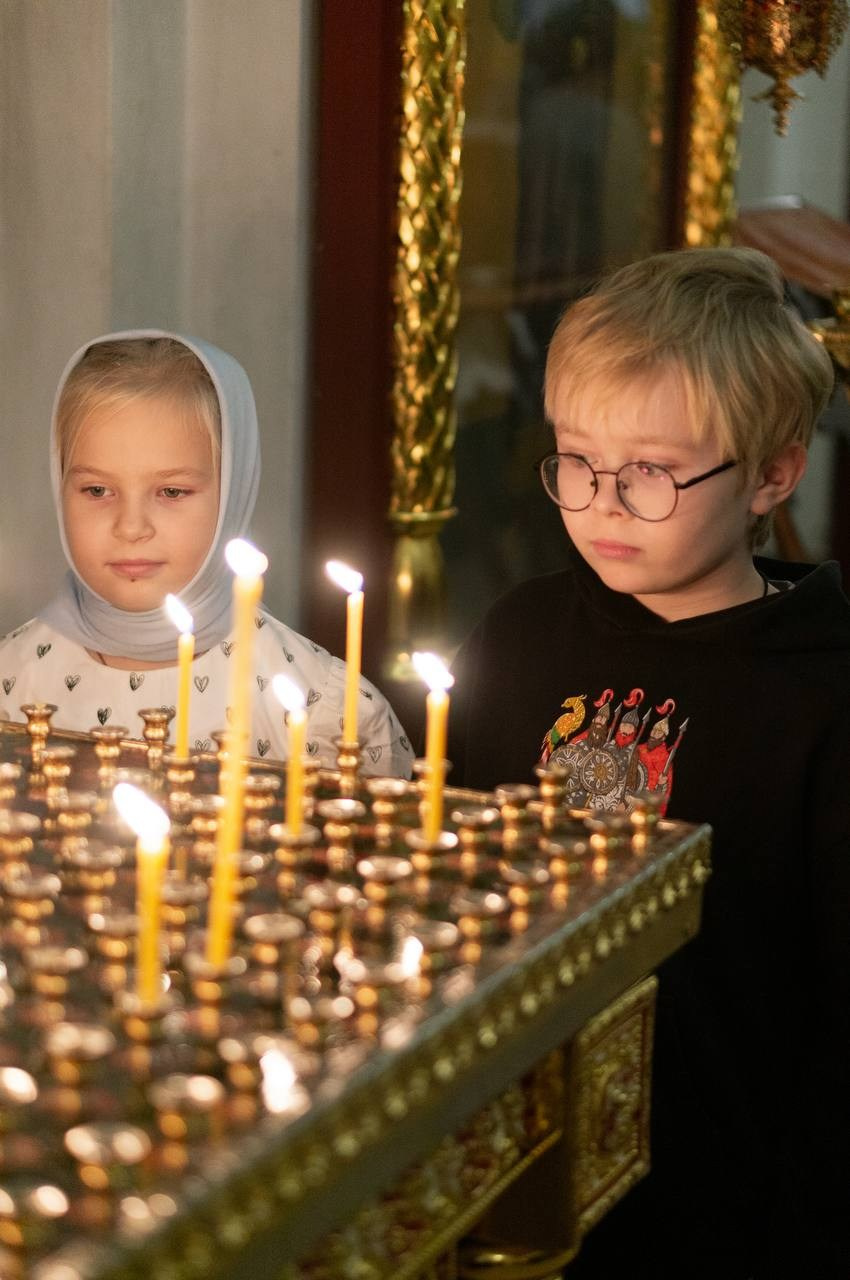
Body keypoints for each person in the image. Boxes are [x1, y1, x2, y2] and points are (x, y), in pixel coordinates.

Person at [447, 248, 850, 1276]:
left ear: (771, 474)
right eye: (577, 461)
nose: (603, 504)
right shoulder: (521, 633)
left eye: (652, 472)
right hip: (510, 1156)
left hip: (728, 1193)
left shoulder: (822, 691)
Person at [0, 331, 413, 776]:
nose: (131, 527)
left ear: (234, 491)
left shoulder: (324, 714)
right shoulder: (13, 680)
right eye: (97, 490)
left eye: (172, 491)